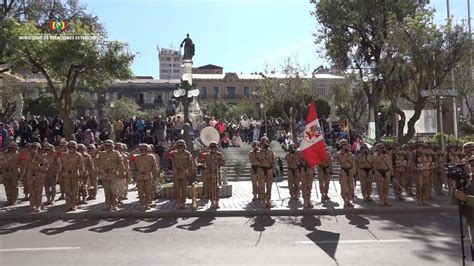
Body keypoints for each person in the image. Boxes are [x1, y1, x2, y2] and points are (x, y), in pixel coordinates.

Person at [452, 156, 474, 261]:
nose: (473, 167)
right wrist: (456, 186)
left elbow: (465, 199)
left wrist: (467, 198)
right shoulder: (467, 180)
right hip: (471, 220)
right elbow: (455, 201)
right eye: (471, 164)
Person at [97, 140, 125, 211]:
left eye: (109, 146)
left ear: (112, 146)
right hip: (105, 175)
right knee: (107, 191)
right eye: (106, 146)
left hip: (113, 174)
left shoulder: (116, 153)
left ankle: (114, 205)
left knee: (114, 190)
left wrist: (121, 173)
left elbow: (121, 164)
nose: (107, 147)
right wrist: (100, 147)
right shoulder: (102, 154)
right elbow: (94, 157)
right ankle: (108, 205)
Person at [23, 142, 48, 212]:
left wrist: (37, 157)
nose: (34, 149)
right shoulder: (29, 156)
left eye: (36, 148)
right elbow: (26, 164)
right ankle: (32, 205)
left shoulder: (42, 156)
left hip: (39, 175)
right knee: (31, 191)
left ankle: (38, 206)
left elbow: (44, 164)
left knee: (38, 191)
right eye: (33, 147)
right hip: (30, 175)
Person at [132, 144, 158, 210]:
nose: (143, 151)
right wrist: (136, 150)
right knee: (140, 191)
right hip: (140, 176)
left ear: (147, 150)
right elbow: (128, 157)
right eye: (141, 149)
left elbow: (155, 166)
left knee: (148, 191)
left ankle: (147, 204)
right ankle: (141, 204)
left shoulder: (151, 156)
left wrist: (154, 175)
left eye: (144, 149)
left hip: (148, 175)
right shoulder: (136, 157)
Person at [60, 141, 85, 211]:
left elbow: (81, 166)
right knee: (67, 191)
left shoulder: (78, 155)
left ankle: (73, 205)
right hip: (66, 175)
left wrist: (81, 174)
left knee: (74, 191)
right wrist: (61, 174)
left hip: (75, 175)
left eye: (73, 147)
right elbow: (61, 165)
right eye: (69, 147)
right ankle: (68, 205)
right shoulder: (64, 154)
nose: (71, 148)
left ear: (75, 147)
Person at [201, 141, 225, 209]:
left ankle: (217, 202)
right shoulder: (206, 155)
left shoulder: (219, 154)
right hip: (209, 173)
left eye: (214, 147)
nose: (213, 148)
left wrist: (219, 162)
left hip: (217, 173)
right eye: (211, 147)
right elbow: (200, 161)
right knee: (210, 189)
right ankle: (212, 202)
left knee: (217, 188)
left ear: (216, 147)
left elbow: (223, 163)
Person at [171, 140, 194, 209]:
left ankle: (183, 202)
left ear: (184, 146)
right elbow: (173, 163)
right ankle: (178, 203)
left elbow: (191, 164)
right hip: (176, 173)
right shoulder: (174, 153)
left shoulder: (187, 154)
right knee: (177, 189)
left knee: (184, 188)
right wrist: (174, 169)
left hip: (184, 173)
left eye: (181, 145)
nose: (180, 147)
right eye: (179, 146)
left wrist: (190, 172)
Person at [257, 136, 276, 208]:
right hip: (261, 170)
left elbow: (274, 162)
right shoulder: (259, 152)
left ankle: (268, 200)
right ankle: (263, 201)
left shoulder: (271, 152)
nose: (265, 143)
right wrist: (263, 150)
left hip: (269, 171)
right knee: (261, 187)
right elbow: (259, 159)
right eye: (263, 142)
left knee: (269, 187)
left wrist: (274, 172)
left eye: (266, 142)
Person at [336, 139, 355, 207]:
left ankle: (349, 200)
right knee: (344, 186)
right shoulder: (339, 154)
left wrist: (354, 172)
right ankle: (344, 200)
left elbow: (353, 163)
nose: (346, 146)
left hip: (349, 171)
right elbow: (341, 161)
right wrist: (345, 154)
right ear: (341, 146)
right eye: (344, 145)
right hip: (343, 171)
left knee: (350, 186)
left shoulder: (350, 154)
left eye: (346, 145)